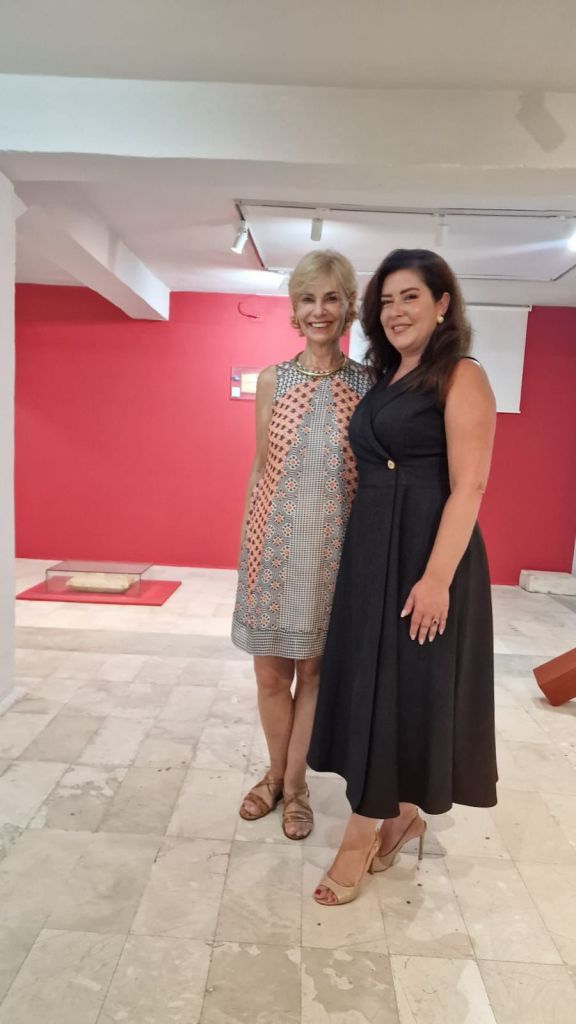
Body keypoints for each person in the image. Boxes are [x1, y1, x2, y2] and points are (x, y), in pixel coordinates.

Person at [308, 248, 498, 903]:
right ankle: (402, 815)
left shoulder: (462, 374)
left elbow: (470, 486)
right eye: (385, 301)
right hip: (373, 550)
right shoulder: (388, 378)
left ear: (443, 303)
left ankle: (360, 835)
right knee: (381, 685)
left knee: (405, 687)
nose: (395, 311)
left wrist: (437, 579)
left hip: (427, 552)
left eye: (410, 296)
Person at [232, 250, 370, 839]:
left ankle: (294, 789)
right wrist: (247, 544)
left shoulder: (367, 385)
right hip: (270, 546)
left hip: (330, 555)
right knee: (270, 674)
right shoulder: (272, 380)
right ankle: (273, 774)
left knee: (312, 675)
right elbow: (261, 465)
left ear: (348, 308)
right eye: (308, 298)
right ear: (295, 309)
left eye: (331, 298)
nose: (319, 310)